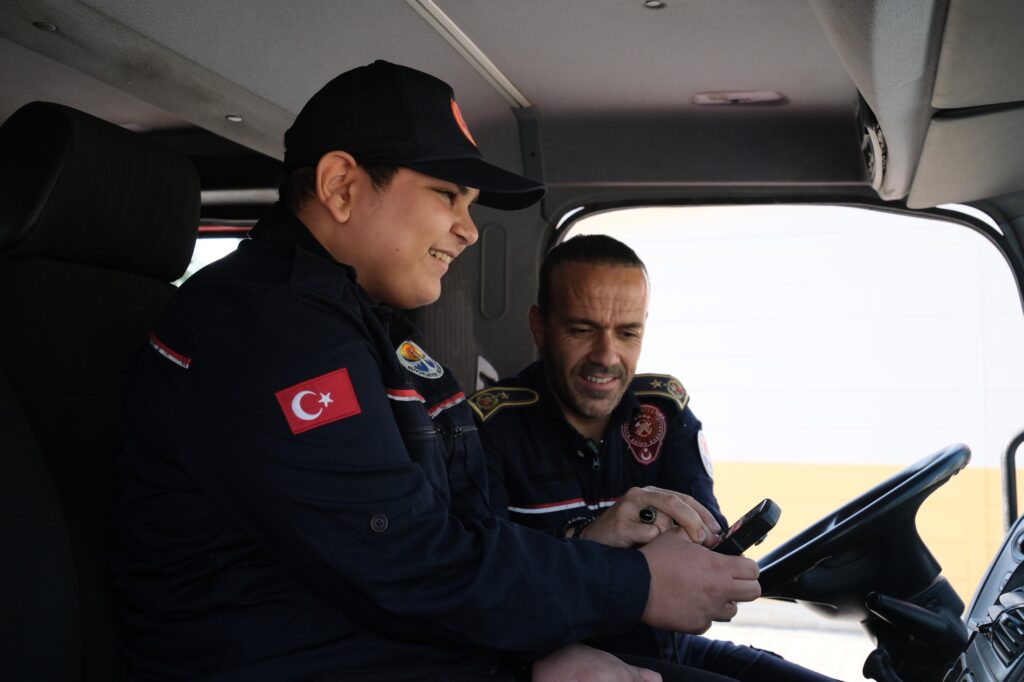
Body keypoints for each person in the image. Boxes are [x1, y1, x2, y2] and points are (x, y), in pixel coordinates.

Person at [112, 60, 760, 682]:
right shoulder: (270, 333)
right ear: (341, 186)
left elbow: (434, 537)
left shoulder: (356, 324)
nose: (468, 230)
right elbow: (402, 557)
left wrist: (564, 599)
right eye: (448, 195)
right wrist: (633, 585)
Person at [473, 235, 837, 681]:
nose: (606, 357)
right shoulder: (488, 426)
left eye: (627, 333)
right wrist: (586, 537)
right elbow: (483, 579)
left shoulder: (663, 412)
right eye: (582, 330)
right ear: (540, 327)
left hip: (668, 644)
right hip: (548, 657)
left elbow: (704, 539)